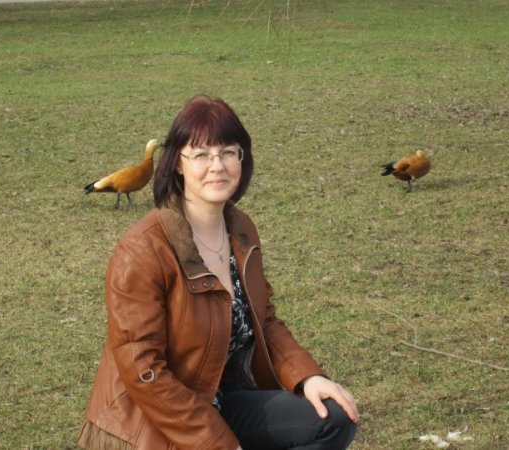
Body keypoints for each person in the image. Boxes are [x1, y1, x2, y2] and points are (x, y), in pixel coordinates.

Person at [78, 95, 359, 450]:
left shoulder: (241, 230)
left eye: (228, 152)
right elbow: (143, 371)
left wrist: (308, 377)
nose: (217, 166)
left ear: (242, 158)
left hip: (217, 399)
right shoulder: (142, 249)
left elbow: (264, 320)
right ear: (177, 164)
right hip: (153, 422)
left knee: (332, 416)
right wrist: (219, 444)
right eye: (201, 155)